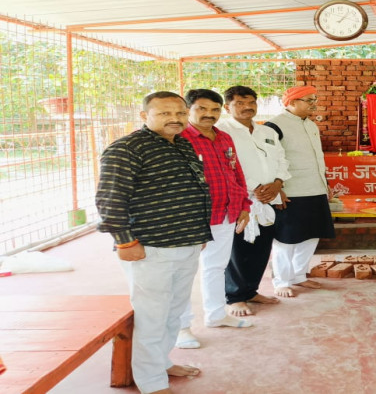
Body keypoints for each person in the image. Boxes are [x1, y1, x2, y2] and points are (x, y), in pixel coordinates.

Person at [96, 91, 212, 394]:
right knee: (152, 317)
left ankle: (161, 363)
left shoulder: (182, 144)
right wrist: (125, 242)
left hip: (186, 242)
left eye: (180, 113)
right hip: (150, 247)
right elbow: (110, 199)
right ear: (144, 116)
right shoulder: (126, 149)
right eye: (164, 113)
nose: (175, 119)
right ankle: (151, 382)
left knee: (173, 312)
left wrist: (198, 234)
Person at [177, 89, 253, 349]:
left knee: (216, 267)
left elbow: (236, 172)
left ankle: (216, 315)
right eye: (202, 108)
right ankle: (181, 328)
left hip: (226, 212)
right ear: (188, 110)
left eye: (215, 109)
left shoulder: (224, 137)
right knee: (184, 273)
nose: (209, 114)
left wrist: (244, 205)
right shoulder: (179, 138)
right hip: (193, 217)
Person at [217, 85, 290, 317]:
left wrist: (278, 183)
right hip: (241, 199)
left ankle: (250, 291)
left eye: (251, 103)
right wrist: (253, 188)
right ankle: (234, 296)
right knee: (238, 249)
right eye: (239, 103)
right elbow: (224, 166)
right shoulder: (221, 131)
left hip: (268, 197)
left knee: (261, 247)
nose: (247, 107)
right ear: (227, 107)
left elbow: (281, 159)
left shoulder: (266, 131)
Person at [264, 85, 336, 298]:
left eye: (314, 100)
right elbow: (270, 160)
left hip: (315, 188)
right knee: (286, 239)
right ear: (292, 102)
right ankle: (281, 281)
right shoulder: (274, 126)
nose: (314, 104)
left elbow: (317, 158)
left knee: (311, 235)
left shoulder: (311, 125)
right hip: (291, 191)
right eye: (309, 100)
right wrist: (278, 190)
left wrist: (325, 184)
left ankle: (298, 276)